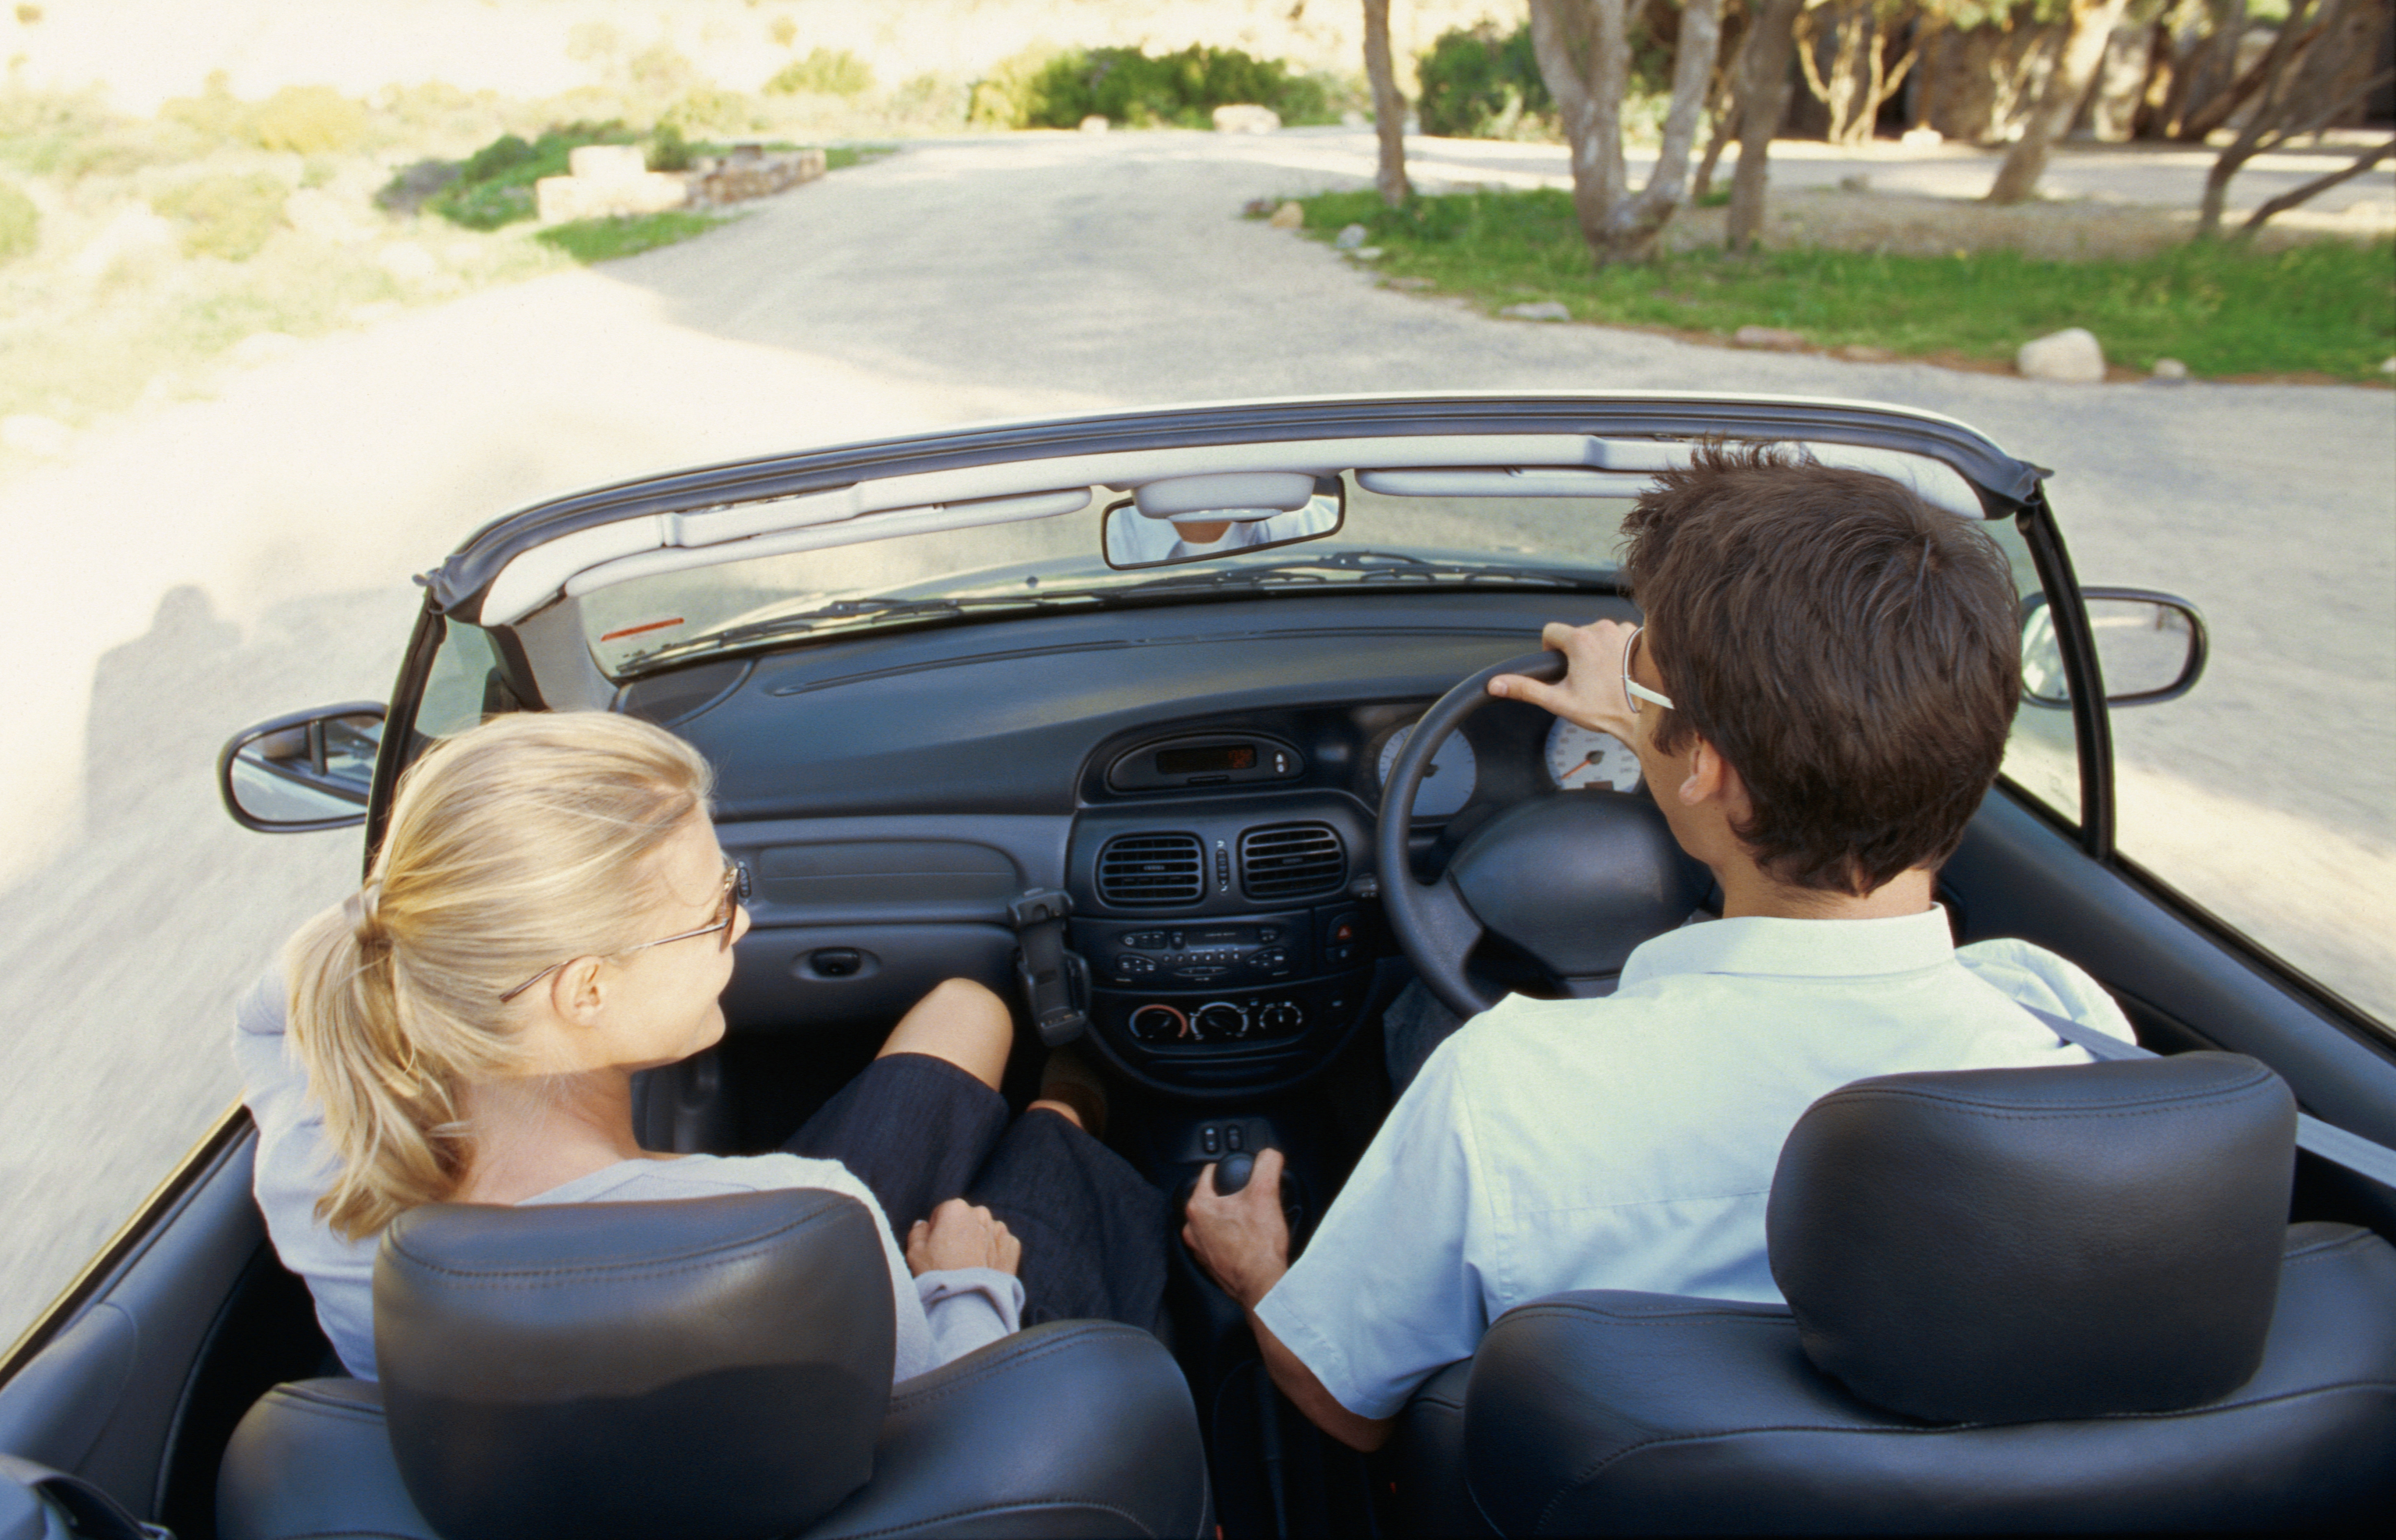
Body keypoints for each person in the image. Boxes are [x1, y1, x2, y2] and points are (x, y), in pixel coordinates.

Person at [1181, 442, 2133, 1452]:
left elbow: (1346, 1402)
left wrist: (1257, 1270)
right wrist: (1665, 728)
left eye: (1647, 669)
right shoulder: (2068, 1031)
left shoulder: (1509, 1091)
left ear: (1712, 768)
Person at [235, 711, 1165, 1386]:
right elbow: (953, 1416)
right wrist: (966, 1285)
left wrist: (450, 910)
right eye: (716, 903)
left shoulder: (321, 1175)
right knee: (1026, 1199)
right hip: (871, 1401)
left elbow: (285, 998)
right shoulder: (804, 1220)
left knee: (965, 1011)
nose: (744, 918)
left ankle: (1056, 1118)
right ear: (587, 989)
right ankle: (1063, 1118)